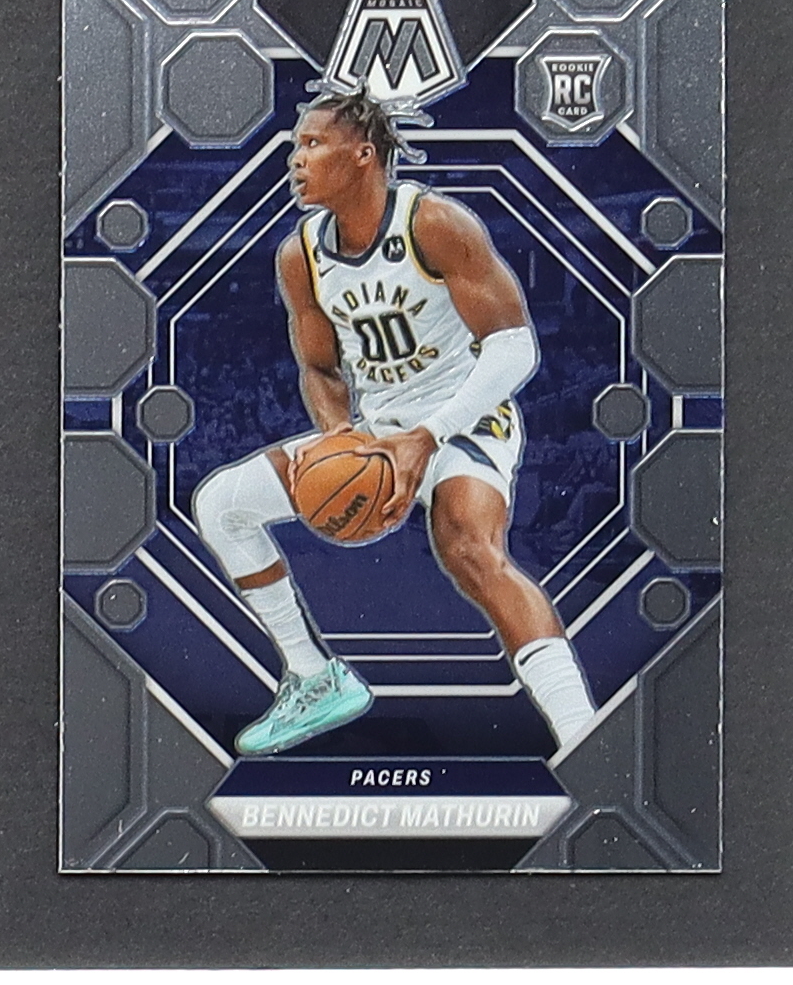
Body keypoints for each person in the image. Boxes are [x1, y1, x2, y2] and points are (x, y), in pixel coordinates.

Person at [193, 85, 596, 756]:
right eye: (296, 146)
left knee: (470, 549)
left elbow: (515, 348)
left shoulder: (433, 222)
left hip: (465, 418)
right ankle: (314, 678)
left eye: (312, 143)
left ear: (363, 154)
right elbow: (320, 368)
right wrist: (338, 436)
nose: (296, 158)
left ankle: (584, 737)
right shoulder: (301, 255)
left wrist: (429, 436)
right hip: (380, 430)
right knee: (220, 504)